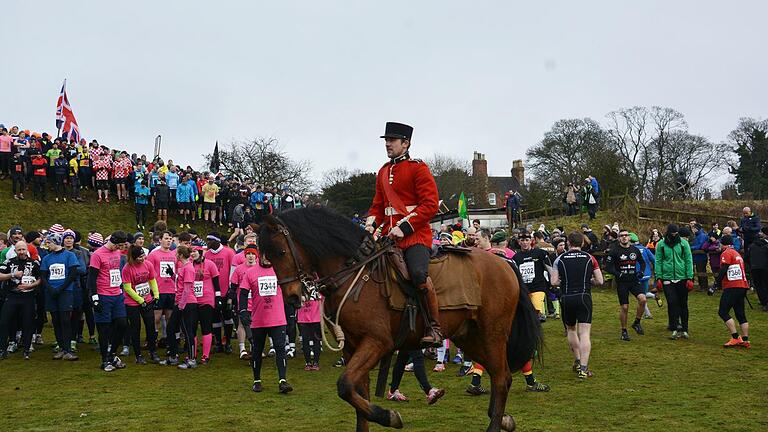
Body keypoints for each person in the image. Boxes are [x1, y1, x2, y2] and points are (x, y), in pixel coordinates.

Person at [365, 122, 442, 347]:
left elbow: (429, 205)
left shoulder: (418, 168)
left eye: (392, 140)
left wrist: (404, 228)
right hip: (388, 237)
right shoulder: (383, 171)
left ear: (405, 143)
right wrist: (370, 226)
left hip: (415, 237)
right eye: (386, 140)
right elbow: (377, 206)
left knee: (418, 274)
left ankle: (434, 326)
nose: (387, 144)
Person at [238, 251, 293, 393]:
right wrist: (243, 310)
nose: (267, 258)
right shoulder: (250, 273)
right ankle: (257, 381)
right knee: (257, 350)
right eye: (264, 255)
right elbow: (243, 293)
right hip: (258, 319)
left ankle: (283, 381)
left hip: (278, 318)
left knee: (280, 348)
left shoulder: (279, 270)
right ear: (260, 256)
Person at [551, 232, 603, 379]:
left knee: (571, 330)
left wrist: (566, 282)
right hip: (584, 296)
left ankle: (578, 361)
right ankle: (584, 369)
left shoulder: (560, 259)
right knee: (585, 333)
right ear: (582, 243)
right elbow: (600, 281)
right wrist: (589, 280)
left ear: (568, 243)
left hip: (567, 297)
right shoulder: (590, 258)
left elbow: (554, 282)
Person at [89, 231, 130, 372]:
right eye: (118, 245)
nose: (119, 248)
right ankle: (104, 359)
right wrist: (94, 298)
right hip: (103, 295)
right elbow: (91, 278)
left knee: (122, 324)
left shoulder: (117, 253)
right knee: (104, 329)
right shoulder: (97, 255)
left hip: (117, 294)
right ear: (112, 241)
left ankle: (112, 354)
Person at [41, 233, 81, 361]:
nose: (48, 245)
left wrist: (61, 288)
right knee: (56, 320)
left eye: (49, 243)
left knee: (65, 320)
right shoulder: (47, 258)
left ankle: (68, 348)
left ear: (55, 242)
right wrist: (51, 289)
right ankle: (61, 348)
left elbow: (73, 273)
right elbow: (43, 275)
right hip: (52, 292)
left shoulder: (70, 255)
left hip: (66, 292)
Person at [179, 244, 220, 367]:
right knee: (192, 328)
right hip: (192, 300)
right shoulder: (188, 265)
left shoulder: (210, 264)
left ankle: (205, 355)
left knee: (206, 327)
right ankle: (193, 354)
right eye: (191, 251)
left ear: (201, 252)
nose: (193, 253)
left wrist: (218, 298)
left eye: (196, 251)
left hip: (206, 300)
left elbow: (216, 282)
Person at [0, 241, 41, 360]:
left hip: (28, 296)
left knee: (28, 323)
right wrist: (12, 274)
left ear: (27, 249)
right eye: (19, 250)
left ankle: (27, 349)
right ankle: (2, 349)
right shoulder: (9, 262)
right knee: (3, 321)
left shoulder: (34, 263)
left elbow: (41, 279)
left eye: (23, 249)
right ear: (15, 251)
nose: (21, 252)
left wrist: (30, 286)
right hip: (12, 296)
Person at [605, 229, 647, 341]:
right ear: (619, 238)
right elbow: (607, 267)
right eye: (621, 236)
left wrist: (641, 272)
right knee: (624, 307)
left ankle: (637, 322)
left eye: (626, 235)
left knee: (643, 300)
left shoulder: (635, 250)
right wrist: (618, 274)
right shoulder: (614, 251)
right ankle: (624, 331)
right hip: (622, 282)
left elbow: (642, 262)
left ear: (629, 237)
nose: (624, 237)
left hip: (633, 280)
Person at [654, 224, 694, 340]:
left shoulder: (683, 243)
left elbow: (688, 260)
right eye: (672, 233)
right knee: (672, 302)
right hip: (667, 277)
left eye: (676, 233)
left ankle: (685, 329)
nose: (674, 235)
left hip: (682, 277)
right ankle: (675, 327)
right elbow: (659, 261)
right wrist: (659, 277)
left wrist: (689, 277)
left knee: (683, 303)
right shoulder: (661, 244)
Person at [122, 245, 161, 364]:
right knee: (135, 328)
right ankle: (138, 355)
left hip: (147, 300)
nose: (142, 258)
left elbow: (152, 280)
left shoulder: (148, 264)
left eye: (143, 255)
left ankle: (153, 351)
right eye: (139, 257)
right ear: (133, 258)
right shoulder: (127, 269)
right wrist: (140, 300)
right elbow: (127, 288)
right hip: (132, 302)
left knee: (150, 326)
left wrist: (156, 294)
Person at [716, 234, 751, 348]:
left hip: (732, 286)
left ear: (723, 244)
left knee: (723, 311)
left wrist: (716, 284)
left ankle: (735, 337)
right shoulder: (737, 254)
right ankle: (745, 339)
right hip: (742, 286)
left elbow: (724, 269)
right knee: (740, 314)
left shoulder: (726, 253)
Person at [203, 233, 236, 353]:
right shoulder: (207, 254)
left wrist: (230, 290)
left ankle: (227, 342)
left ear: (216, 241)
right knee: (215, 318)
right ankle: (218, 342)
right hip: (212, 292)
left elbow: (233, 272)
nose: (207, 243)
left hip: (226, 290)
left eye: (209, 240)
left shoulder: (229, 252)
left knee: (228, 317)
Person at [146, 231, 178, 355]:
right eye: (166, 238)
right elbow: (149, 273)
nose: (169, 241)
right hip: (158, 290)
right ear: (160, 240)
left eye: (170, 238)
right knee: (156, 318)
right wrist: (151, 290)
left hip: (170, 290)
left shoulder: (174, 255)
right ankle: (152, 343)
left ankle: (169, 343)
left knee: (170, 318)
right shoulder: (154, 255)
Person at [229, 241, 258, 359]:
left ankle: (254, 348)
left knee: (255, 325)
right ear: (245, 255)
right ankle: (242, 349)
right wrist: (230, 300)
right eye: (248, 254)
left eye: (253, 254)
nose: (250, 256)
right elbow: (233, 286)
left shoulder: (260, 268)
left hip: (257, 302)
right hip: (243, 301)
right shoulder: (239, 269)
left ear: (256, 255)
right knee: (242, 324)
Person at [297, 290, 322, 370]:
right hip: (303, 319)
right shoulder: (299, 286)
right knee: (305, 341)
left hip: (315, 318)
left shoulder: (317, 286)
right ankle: (308, 362)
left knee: (316, 340)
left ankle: (316, 362)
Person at [748, 227, 768, 311]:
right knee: (765, 285)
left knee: (759, 286)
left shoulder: (752, 246)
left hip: (754, 267)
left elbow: (747, 257)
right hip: (765, 267)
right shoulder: (766, 246)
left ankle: (764, 302)